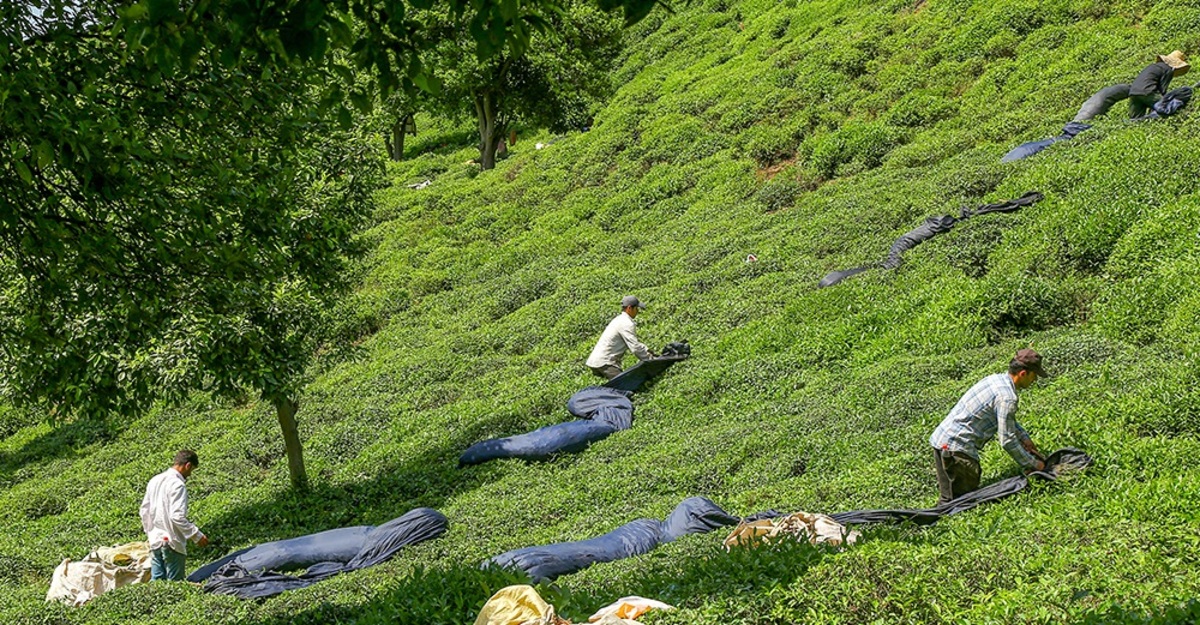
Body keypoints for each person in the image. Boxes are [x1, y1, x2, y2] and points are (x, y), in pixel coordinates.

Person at [929, 349, 1049, 505]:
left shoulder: (995, 380)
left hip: (942, 441)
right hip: (957, 451)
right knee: (961, 505)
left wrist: (1025, 438)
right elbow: (1007, 441)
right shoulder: (1008, 398)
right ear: (1023, 374)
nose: (1035, 381)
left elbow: (1004, 419)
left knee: (948, 501)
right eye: (1035, 376)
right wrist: (1034, 465)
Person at [140, 449, 209, 581]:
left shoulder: (155, 480)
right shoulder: (178, 485)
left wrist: (150, 533)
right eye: (191, 470)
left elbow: (144, 511)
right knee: (175, 586)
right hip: (172, 542)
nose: (189, 474)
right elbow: (176, 516)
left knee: (157, 585)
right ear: (188, 465)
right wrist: (196, 535)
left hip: (155, 541)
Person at [586, 295, 654, 380]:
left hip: (595, 361)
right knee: (627, 387)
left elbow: (634, 343)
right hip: (605, 363)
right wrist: (652, 361)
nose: (637, 311)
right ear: (629, 308)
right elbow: (635, 348)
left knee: (616, 386)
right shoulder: (627, 323)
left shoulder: (619, 320)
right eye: (636, 308)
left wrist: (646, 349)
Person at [1129, 50, 1190, 118]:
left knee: (1136, 119)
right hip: (1148, 91)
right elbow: (1162, 89)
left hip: (1133, 92)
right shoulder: (1168, 70)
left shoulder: (1155, 66)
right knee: (1164, 108)